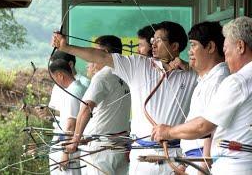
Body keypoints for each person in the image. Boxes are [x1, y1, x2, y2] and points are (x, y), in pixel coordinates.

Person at [52, 21, 198, 175]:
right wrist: (66, 47)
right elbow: (101, 56)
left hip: (174, 156)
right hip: (142, 157)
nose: (153, 44)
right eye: (152, 40)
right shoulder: (138, 65)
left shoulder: (192, 74)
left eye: (159, 40)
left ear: (175, 46)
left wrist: (191, 67)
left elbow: (217, 72)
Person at [152, 16, 252, 175]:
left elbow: (204, 127)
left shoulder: (233, 81)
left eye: (226, 50)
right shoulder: (226, 79)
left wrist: (168, 132)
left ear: (240, 46)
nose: (226, 57)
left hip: (232, 165)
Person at [66, 35, 131, 175]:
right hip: (121, 146)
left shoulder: (102, 77)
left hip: (102, 149)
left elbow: (85, 108)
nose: (91, 57)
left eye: (95, 52)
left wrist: (75, 139)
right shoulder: (127, 74)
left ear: (105, 54)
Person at [180, 21, 229, 174]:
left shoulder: (219, 79)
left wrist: (203, 167)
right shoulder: (207, 78)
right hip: (194, 159)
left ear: (210, 47)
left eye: (193, 45)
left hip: (203, 161)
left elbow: (209, 127)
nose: (189, 51)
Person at [48, 59, 87, 175]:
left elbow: (71, 125)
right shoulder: (80, 88)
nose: (55, 82)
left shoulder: (73, 92)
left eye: (54, 78)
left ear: (60, 75)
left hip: (69, 148)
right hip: (72, 145)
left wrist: (65, 153)